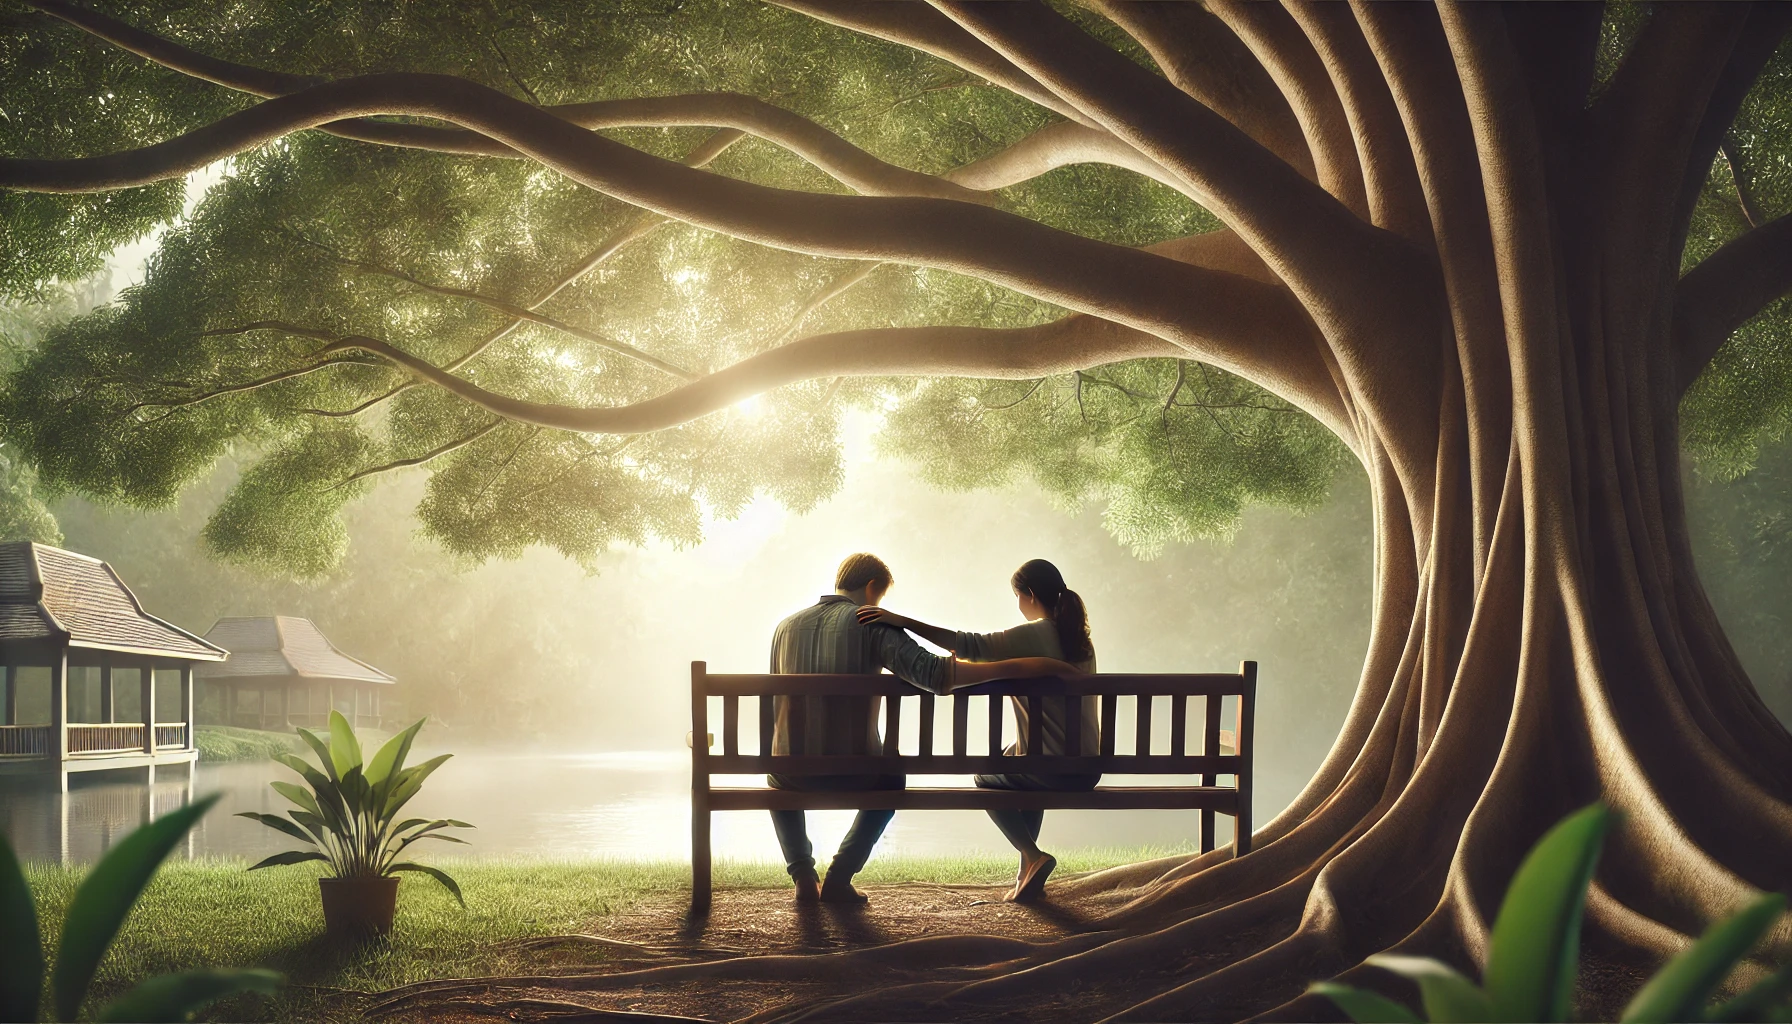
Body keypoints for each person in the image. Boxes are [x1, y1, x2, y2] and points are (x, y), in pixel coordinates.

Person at [769, 552, 1079, 905]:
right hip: (857, 773)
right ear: (872, 588)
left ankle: (803, 876)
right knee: (892, 779)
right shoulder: (869, 622)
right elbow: (933, 674)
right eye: (879, 598)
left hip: (792, 774)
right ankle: (839, 876)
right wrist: (1019, 668)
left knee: (776, 775)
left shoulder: (785, 627)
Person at [856, 558, 1097, 902]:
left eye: (1017, 596)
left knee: (986, 779)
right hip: (1087, 769)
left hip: (1054, 770)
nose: (1018, 605)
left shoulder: (1039, 633)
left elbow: (968, 644)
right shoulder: (1080, 641)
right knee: (1017, 759)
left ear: (1028, 594)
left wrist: (903, 622)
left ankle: (1032, 855)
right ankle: (1025, 870)